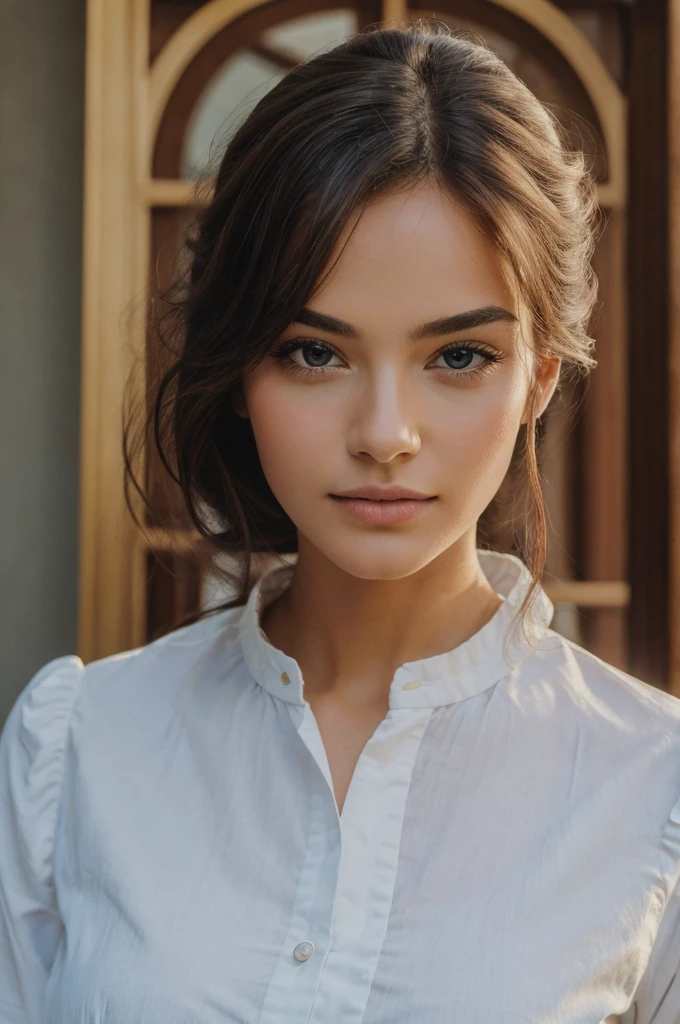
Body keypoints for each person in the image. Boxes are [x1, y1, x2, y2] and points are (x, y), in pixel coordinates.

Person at [1, 19, 679, 1023]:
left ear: (538, 375)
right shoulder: (80, 749)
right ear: (238, 369)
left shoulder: (650, 787)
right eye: (314, 353)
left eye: (457, 357)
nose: (385, 434)